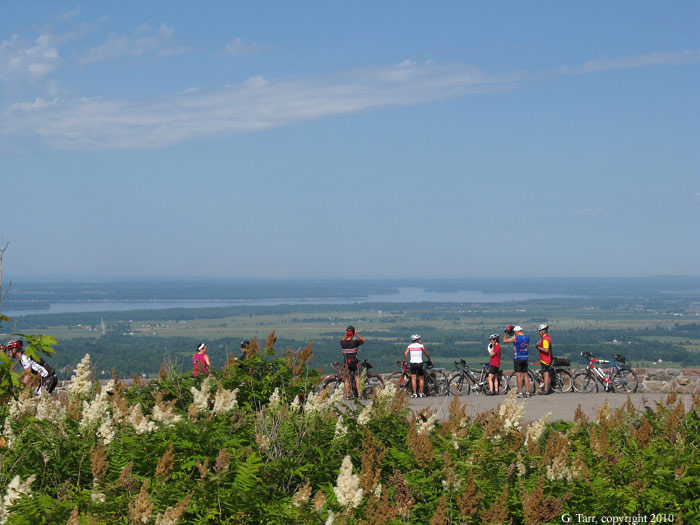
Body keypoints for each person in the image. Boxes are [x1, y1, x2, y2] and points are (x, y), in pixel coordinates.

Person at [503, 325, 530, 398]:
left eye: (515, 332)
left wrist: (506, 333)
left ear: (517, 331)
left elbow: (504, 341)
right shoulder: (527, 337)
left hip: (518, 358)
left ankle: (521, 393)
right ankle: (528, 392)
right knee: (526, 376)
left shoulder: (515, 338)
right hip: (525, 357)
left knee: (519, 376)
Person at [340, 325, 365, 398]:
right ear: (353, 334)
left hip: (346, 364)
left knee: (347, 380)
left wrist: (347, 334)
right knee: (357, 378)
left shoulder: (343, 343)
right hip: (355, 364)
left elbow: (342, 340)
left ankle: (347, 395)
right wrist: (356, 334)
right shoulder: (355, 342)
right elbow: (363, 340)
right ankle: (359, 394)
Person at [535, 324, 553, 395]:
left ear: (542, 332)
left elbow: (546, 350)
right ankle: (548, 388)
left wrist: (538, 347)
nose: (539, 333)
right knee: (547, 374)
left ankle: (546, 390)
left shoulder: (545, 339)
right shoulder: (547, 338)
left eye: (539, 331)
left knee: (546, 374)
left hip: (545, 359)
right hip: (547, 359)